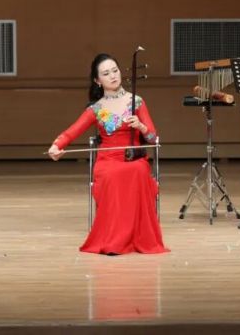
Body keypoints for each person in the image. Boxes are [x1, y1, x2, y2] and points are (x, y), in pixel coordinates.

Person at [48, 54, 168, 255]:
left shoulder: (136, 101)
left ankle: (135, 237)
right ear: (97, 80)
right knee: (111, 175)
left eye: (115, 70)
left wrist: (141, 126)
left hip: (133, 158)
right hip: (108, 158)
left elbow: (153, 137)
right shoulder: (96, 108)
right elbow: (72, 131)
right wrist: (56, 145)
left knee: (138, 171)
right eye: (106, 73)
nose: (113, 76)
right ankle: (114, 240)